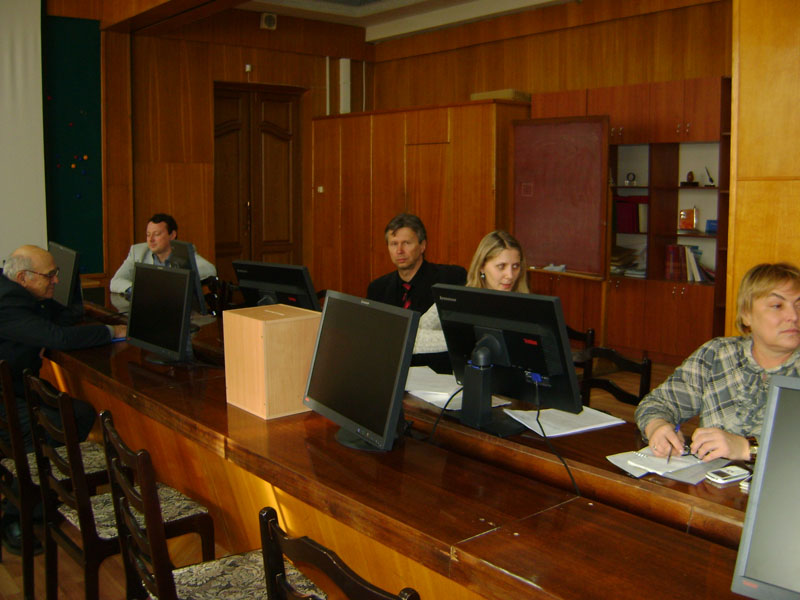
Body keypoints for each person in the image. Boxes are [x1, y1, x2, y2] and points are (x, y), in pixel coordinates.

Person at [0, 245, 126, 553]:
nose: (56, 280)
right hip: (4, 400)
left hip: (17, 388)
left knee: (79, 413)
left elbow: (59, 319)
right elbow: (58, 338)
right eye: (50, 276)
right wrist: (111, 331)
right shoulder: (7, 303)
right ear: (23, 278)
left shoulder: (19, 293)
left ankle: (42, 495)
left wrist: (77, 307)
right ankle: (17, 516)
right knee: (48, 431)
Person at [635, 262, 800, 463]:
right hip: (707, 479)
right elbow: (657, 403)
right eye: (777, 306)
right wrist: (658, 427)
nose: (793, 316)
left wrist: (747, 449)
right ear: (746, 315)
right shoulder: (717, 354)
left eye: (799, 305)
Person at [414, 230, 528, 354]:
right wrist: (468, 339)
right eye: (501, 266)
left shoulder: (525, 306)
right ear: (482, 267)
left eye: (515, 266)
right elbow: (413, 337)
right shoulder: (456, 298)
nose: (510, 275)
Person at [366, 213, 466, 314]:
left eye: (406, 243)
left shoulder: (449, 279)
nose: (399, 251)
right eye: (394, 244)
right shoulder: (378, 289)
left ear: (422, 246)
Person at [110, 213, 216, 296]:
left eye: (157, 234)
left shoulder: (184, 252)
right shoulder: (137, 252)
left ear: (172, 235)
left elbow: (209, 269)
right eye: (148, 235)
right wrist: (138, 290)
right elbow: (116, 281)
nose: (151, 240)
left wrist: (173, 279)